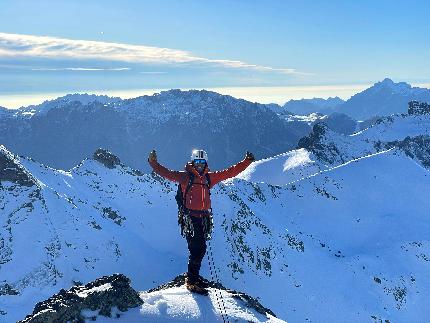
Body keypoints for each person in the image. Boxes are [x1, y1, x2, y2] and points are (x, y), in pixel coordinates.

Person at [148, 149, 255, 294]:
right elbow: (166, 173)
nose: (199, 165)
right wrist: (153, 162)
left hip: (203, 218)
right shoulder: (185, 177)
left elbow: (230, 172)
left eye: (202, 162)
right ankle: (192, 281)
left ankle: (194, 277)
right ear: (193, 162)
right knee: (197, 249)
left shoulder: (208, 178)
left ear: (205, 163)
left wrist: (246, 162)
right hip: (190, 219)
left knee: (199, 248)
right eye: (197, 162)